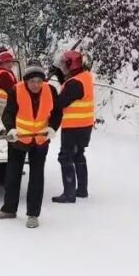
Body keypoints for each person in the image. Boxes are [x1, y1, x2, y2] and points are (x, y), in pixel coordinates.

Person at [0, 60, 62, 228]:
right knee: (12, 175)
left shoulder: (51, 90)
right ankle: (9, 209)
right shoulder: (16, 90)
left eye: (39, 81)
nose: (36, 85)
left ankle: (33, 214)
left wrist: (52, 128)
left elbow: (57, 112)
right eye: (32, 81)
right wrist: (11, 129)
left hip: (40, 139)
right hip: (19, 139)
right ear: (26, 80)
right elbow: (8, 114)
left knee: (37, 177)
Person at [52, 50, 95, 203]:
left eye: (64, 64)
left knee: (65, 157)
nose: (62, 67)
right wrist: (60, 76)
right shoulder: (84, 77)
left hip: (73, 126)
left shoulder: (74, 83)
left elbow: (60, 102)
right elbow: (68, 89)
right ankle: (82, 190)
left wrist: (49, 93)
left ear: (71, 65)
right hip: (84, 125)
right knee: (78, 155)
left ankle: (69, 194)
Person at [0, 49, 18, 185]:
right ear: (1, 63)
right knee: (6, 144)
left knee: (1, 142)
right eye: (7, 62)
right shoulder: (4, 75)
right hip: (3, 110)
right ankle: (0, 175)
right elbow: (15, 91)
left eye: (11, 61)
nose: (10, 64)